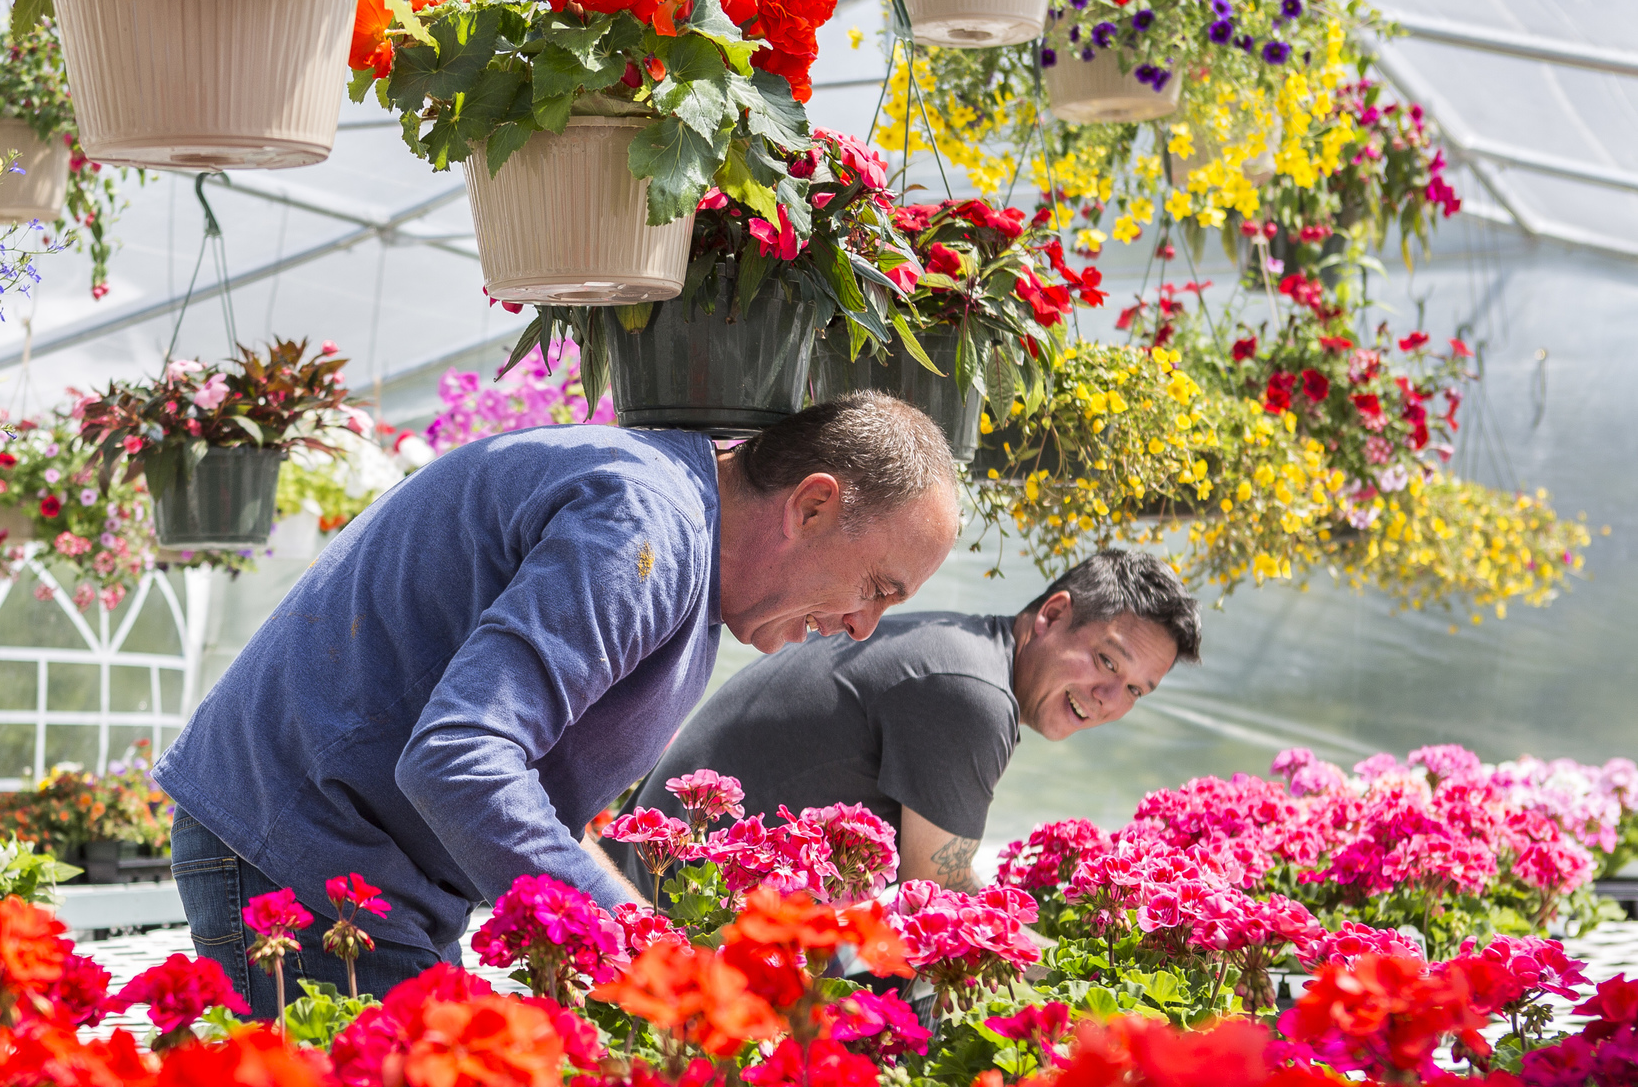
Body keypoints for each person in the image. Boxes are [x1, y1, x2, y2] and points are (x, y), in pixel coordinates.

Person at [154, 391, 963, 1017]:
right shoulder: (644, 525)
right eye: (877, 587)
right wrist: (640, 951)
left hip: (358, 864)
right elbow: (458, 760)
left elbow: (525, 782)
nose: (864, 624)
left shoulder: (684, 543)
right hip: (300, 847)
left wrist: (646, 938)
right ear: (812, 505)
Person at [612, 548, 1200, 895]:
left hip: (658, 884)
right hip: (670, 915)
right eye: (1106, 661)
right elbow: (934, 898)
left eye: (1136, 692)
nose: (1108, 699)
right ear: (1052, 613)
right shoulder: (972, 694)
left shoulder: (956, 645)